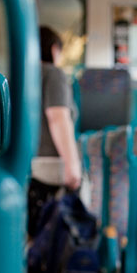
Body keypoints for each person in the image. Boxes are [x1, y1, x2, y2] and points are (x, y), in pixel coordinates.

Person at [28, 26, 82, 235]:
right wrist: (73, 166)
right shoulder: (53, 74)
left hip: (29, 166)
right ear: (53, 49)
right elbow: (58, 117)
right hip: (50, 168)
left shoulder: (24, 76)